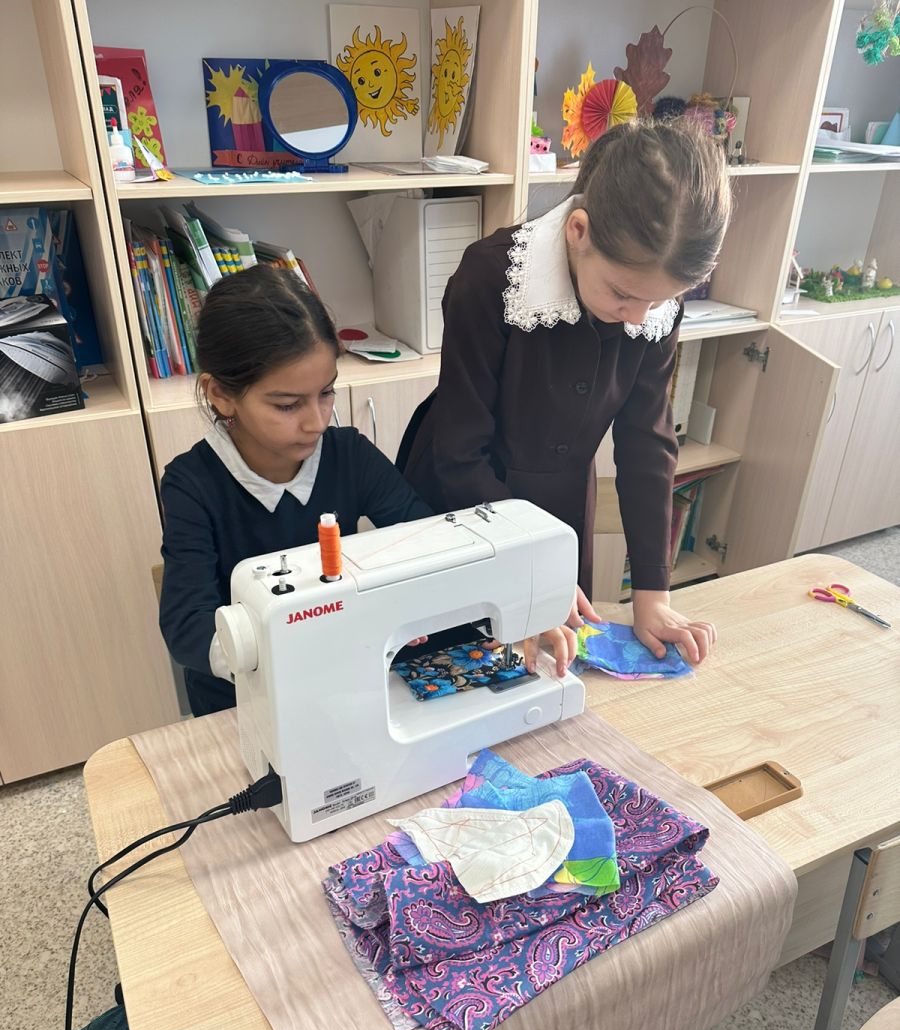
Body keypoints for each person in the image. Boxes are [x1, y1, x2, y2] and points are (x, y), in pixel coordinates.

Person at [400, 119, 730, 669]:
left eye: (656, 303)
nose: (638, 319)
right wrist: (532, 566)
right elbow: (459, 452)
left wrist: (652, 595)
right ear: (578, 231)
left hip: (558, 512)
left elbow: (647, 445)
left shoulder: (650, 304)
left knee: (553, 664)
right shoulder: (490, 277)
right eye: (623, 294)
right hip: (464, 499)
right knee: (453, 665)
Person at [159, 267, 431, 717]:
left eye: (326, 393)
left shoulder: (350, 455)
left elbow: (431, 543)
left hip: (344, 684)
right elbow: (187, 626)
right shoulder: (192, 485)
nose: (317, 421)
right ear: (221, 395)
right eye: (287, 405)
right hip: (242, 703)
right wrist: (293, 648)